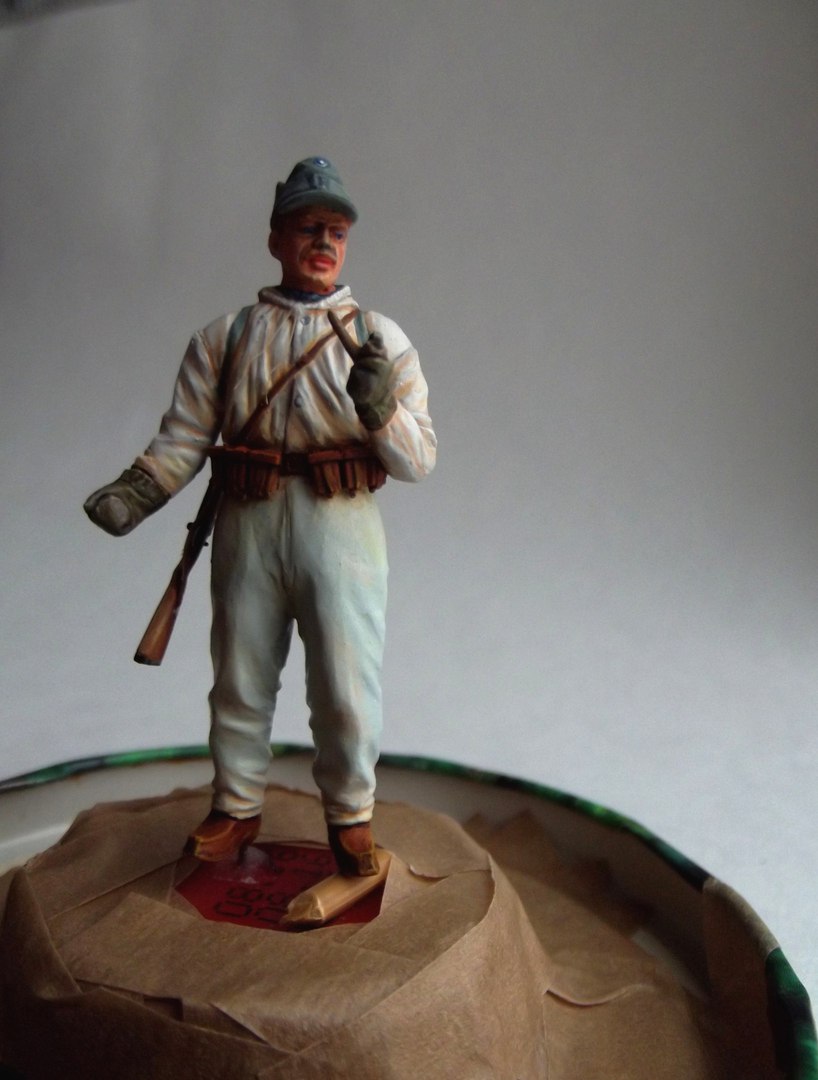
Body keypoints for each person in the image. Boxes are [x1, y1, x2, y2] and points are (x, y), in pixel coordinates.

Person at [84, 157, 436, 875]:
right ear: (276, 238)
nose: (324, 242)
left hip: (341, 525)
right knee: (240, 674)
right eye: (308, 227)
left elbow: (418, 458)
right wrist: (138, 492)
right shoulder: (226, 337)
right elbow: (185, 436)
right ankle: (237, 804)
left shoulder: (379, 338)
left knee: (346, 683)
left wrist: (379, 409)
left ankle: (351, 815)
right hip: (249, 518)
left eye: (336, 230)